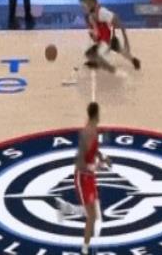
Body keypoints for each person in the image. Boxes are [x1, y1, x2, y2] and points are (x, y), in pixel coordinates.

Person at [55, 102, 110, 255]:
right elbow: (79, 163)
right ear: (97, 114)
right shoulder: (86, 133)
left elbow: (94, 149)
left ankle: (65, 209)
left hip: (90, 177)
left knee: (94, 215)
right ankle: (84, 249)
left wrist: (102, 157)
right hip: (82, 177)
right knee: (91, 216)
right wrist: (95, 166)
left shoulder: (93, 130)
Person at [79, 0, 141, 74]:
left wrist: (125, 39)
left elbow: (116, 19)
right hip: (105, 38)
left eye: (84, 5)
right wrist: (94, 35)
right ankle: (134, 60)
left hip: (108, 38)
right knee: (119, 50)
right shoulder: (90, 15)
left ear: (91, 3)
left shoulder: (102, 12)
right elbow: (96, 31)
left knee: (95, 54)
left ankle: (115, 72)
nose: (83, 8)